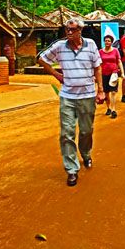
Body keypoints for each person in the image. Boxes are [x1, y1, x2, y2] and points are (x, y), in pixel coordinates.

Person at [38, 18, 104, 187]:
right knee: (66, 133)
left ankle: (86, 153)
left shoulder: (90, 45)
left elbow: (97, 67)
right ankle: (72, 169)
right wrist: (56, 74)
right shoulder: (60, 47)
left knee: (86, 131)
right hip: (67, 96)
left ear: (80, 30)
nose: (69, 32)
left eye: (72, 30)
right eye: (67, 29)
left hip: (87, 95)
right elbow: (41, 58)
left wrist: (101, 90)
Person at [99, 35, 124, 119]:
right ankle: (108, 108)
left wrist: (122, 73)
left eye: (109, 41)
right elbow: (98, 64)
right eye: (106, 41)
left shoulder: (115, 51)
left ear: (111, 42)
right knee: (106, 92)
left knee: (113, 92)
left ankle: (113, 110)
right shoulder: (100, 52)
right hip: (104, 74)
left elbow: (119, 62)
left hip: (113, 73)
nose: (107, 42)